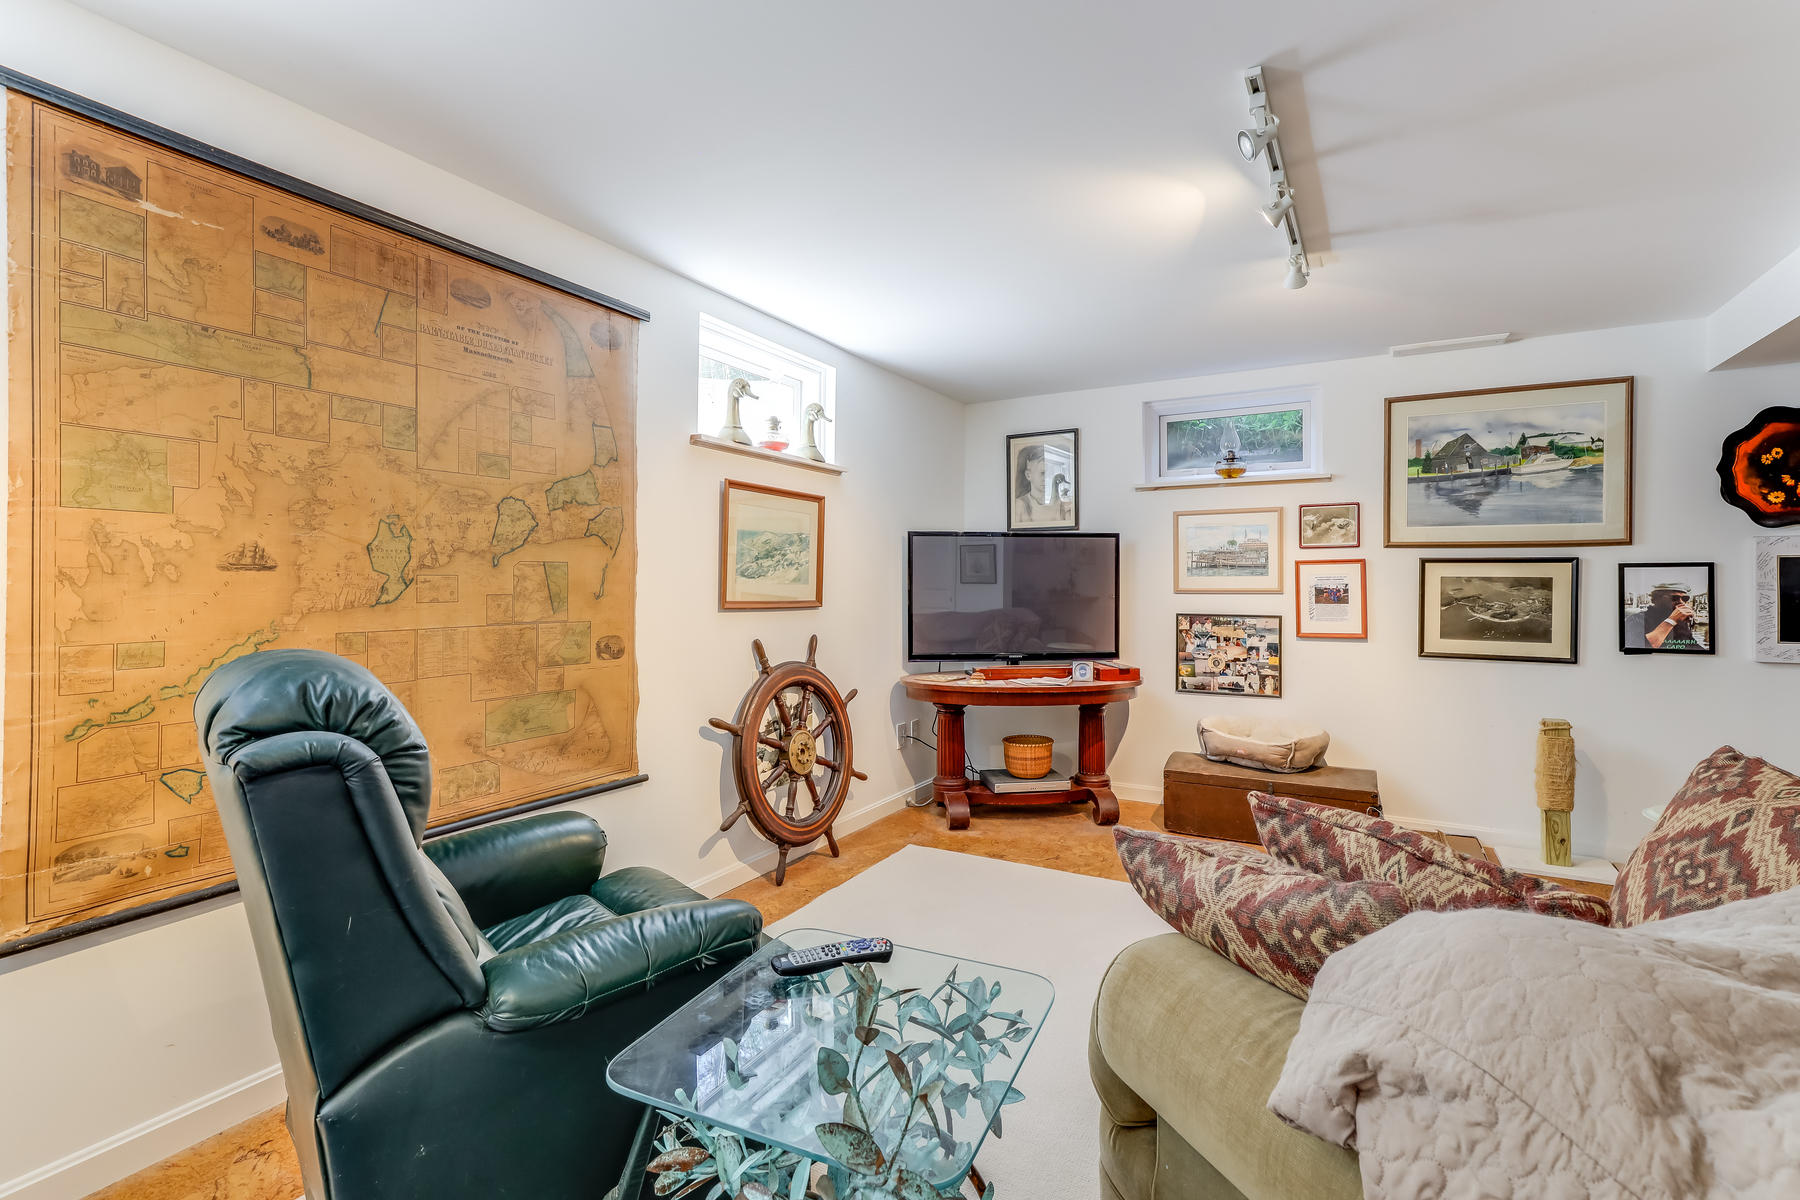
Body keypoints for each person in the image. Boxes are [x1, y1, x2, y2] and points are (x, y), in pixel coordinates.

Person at [1012, 444, 1072, 526]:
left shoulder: (1061, 506)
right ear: (1028, 475)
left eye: (1049, 473)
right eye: (1043, 473)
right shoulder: (1020, 505)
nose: (1047, 478)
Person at [1640, 583, 1706, 650]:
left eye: (1685, 598)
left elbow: (1692, 644)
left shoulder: (1680, 622)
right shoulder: (1639, 619)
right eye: (1675, 598)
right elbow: (1643, 645)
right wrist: (1671, 621)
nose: (1681, 602)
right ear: (1656, 599)